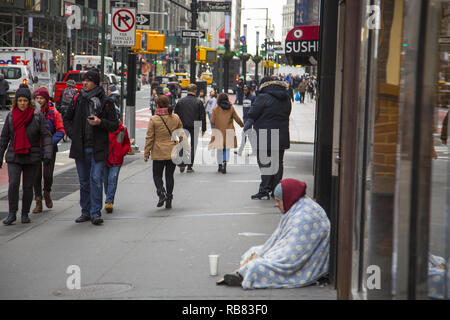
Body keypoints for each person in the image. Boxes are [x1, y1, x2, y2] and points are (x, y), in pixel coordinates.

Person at [217, 179, 330, 288]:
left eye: (278, 200)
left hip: (302, 264)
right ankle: (243, 273)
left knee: (255, 265)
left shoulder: (305, 217)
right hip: (292, 252)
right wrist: (262, 254)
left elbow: (292, 256)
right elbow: (282, 242)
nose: (276, 204)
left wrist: (265, 257)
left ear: (288, 198)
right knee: (253, 252)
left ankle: (245, 276)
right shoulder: (298, 206)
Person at [63, 69, 119, 226]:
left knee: (95, 179)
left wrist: (100, 123)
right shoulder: (78, 99)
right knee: (84, 182)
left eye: (88, 80)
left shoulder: (106, 101)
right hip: (80, 147)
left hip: (98, 148)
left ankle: (95, 212)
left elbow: (114, 125)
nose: (85, 83)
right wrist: (73, 134)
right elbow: (66, 118)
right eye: (84, 80)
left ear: (95, 82)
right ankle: (85, 212)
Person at [0, 86, 53, 225]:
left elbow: (46, 135)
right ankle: (12, 213)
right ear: (16, 102)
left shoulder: (37, 116)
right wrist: (0, 155)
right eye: (20, 100)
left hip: (32, 156)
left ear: (29, 102)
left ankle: (24, 213)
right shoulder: (11, 116)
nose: (22, 103)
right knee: (13, 184)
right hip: (14, 155)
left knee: (28, 186)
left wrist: (47, 153)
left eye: (25, 100)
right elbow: (4, 138)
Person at [244, 76, 292, 200]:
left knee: (265, 162)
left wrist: (246, 129)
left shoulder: (263, 97)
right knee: (278, 163)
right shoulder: (286, 97)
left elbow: (252, 114)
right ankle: (276, 190)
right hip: (281, 134)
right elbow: (288, 113)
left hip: (265, 134)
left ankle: (264, 190)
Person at [144, 95, 185, 209]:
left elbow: (150, 137)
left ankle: (161, 193)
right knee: (169, 176)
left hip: (158, 151)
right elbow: (181, 134)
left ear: (157, 105)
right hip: (172, 150)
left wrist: (146, 152)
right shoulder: (175, 117)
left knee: (157, 175)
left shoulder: (154, 119)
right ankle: (169, 199)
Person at [31, 87, 65, 214]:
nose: (39, 100)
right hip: (35, 149)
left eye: (41, 98)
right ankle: (38, 201)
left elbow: (61, 130)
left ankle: (47, 192)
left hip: (50, 148)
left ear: (46, 99)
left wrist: (50, 143)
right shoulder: (31, 112)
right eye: (37, 98)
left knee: (48, 175)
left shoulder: (53, 112)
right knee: (36, 175)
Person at [103, 107, 131, 214]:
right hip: (105, 159)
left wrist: (121, 152)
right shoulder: (104, 129)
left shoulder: (122, 129)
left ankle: (109, 201)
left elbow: (126, 143)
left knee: (112, 179)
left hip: (117, 160)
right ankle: (108, 196)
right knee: (106, 181)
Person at [174, 84, 206, 173]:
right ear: (195, 91)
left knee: (182, 144)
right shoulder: (198, 102)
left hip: (182, 125)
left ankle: (181, 162)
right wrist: (203, 128)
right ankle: (189, 166)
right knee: (193, 146)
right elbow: (202, 116)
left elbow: (175, 115)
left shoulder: (180, 101)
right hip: (195, 126)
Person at [209, 93, 244, 174]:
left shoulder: (215, 109)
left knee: (219, 149)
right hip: (229, 130)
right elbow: (237, 118)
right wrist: (242, 125)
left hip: (218, 131)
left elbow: (212, 121)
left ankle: (220, 165)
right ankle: (225, 162)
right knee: (226, 149)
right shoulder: (231, 108)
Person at [236, 86, 256, 156]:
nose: (244, 91)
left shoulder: (253, 97)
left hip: (250, 119)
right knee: (249, 135)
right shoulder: (244, 97)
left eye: (246, 90)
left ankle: (240, 151)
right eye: (244, 90)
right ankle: (255, 151)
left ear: (249, 90)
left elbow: (255, 108)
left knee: (244, 133)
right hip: (245, 119)